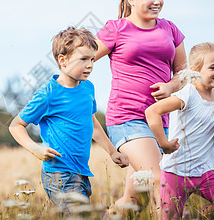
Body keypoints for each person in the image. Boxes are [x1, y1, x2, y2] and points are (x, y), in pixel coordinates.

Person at [95, 0, 187, 210]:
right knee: (160, 181)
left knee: (134, 201)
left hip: (159, 121)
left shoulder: (170, 29)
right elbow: (83, 59)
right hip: (127, 118)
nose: (157, 2)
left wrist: (170, 86)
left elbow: (183, 72)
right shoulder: (116, 29)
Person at [9, 27, 129, 208]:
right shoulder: (48, 94)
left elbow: (93, 123)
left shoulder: (88, 88)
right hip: (59, 173)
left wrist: (112, 152)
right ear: (63, 61)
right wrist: (35, 148)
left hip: (81, 171)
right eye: (83, 59)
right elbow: (15, 125)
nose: (90, 65)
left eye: (92, 59)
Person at [145, 42, 214, 219]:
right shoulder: (188, 94)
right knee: (170, 217)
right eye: (213, 67)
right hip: (175, 171)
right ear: (195, 70)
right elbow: (152, 111)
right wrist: (164, 144)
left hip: (205, 171)